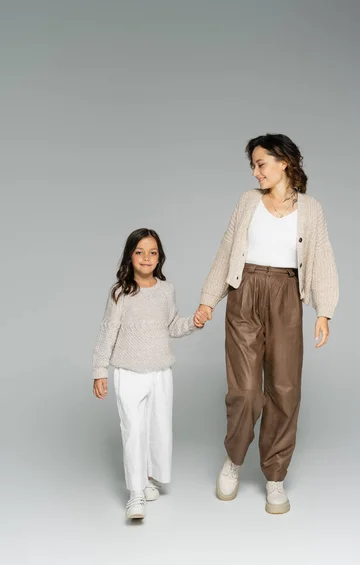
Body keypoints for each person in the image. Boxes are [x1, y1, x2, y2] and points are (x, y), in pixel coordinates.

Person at [198, 133, 339, 514]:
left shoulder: (311, 209)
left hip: (287, 296)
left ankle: (275, 476)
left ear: (284, 163)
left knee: (285, 388)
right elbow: (227, 249)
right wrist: (208, 300)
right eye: (253, 165)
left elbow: (322, 257)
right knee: (244, 391)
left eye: (260, 163)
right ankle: (234, 460)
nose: (255, 171)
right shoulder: (247, 202)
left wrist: (324, 311)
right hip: (245, 292)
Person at [92, 228, 207, 520]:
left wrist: (193, 322)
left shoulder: (166, 291)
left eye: (152, 252)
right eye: (140, 252)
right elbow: (108, 332)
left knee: (158, 428)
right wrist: (99, 370)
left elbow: (171, 326)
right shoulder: (120, 292)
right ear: (130, 256)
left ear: (160, 258)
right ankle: (135, 494)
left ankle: (148, 478)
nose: (146, 257)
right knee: (133, 430)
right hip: (129, 371)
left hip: (160, 372)